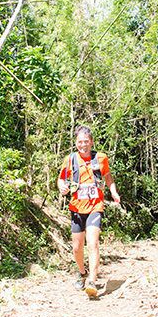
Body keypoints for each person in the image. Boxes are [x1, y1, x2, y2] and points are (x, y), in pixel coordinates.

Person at [57, 125, 120, 298]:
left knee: (93, 243)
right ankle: (82, 272)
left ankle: (92, 280)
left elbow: (107, 176)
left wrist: (113, 191)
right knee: (77, 247)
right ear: (76, 143)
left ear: (91, 142)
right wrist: (62, 186)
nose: (83, 145)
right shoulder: (70, 159)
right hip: (77, 208)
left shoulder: (101, 158)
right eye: (80, 142)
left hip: (95, 207)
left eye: (86, 141)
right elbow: (61, 179)